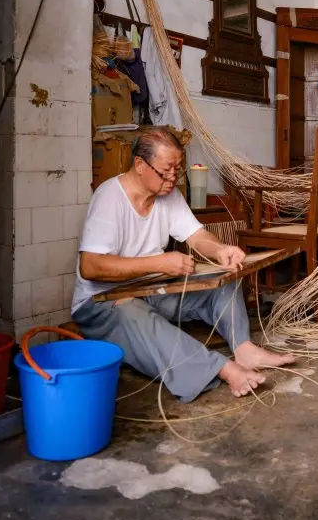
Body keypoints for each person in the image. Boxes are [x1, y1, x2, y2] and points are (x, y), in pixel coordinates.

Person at [71, 128, 295, 402]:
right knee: (136, 317)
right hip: (103, 303)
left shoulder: (168, 194)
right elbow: (91, 267)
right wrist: (158, 262)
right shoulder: (109, 198)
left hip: (152, 289)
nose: (172, 178)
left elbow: (197, 236)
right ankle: (222, 369)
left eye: (177, 170)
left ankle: (244, 348)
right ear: (140, 165)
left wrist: (220, 249)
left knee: (225, 277)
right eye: (166, 170)